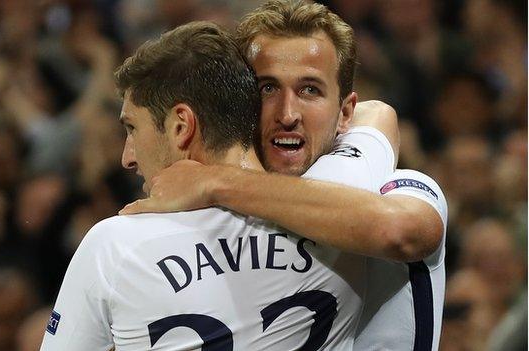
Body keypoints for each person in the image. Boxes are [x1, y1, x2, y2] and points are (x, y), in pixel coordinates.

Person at [120, 1, 448, 350]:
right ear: (240, 98)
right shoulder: (215, 213)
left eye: (310, 90)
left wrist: (214, 182)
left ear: (345, 112)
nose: (288, 114)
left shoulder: (391, 188)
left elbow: (400, 232)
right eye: (268, 88)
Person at [41, 21, 384, 350]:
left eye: (132, 129)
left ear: (180, 127)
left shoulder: (115, 246)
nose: (127, 158)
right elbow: (380, 117)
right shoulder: (349, 207)